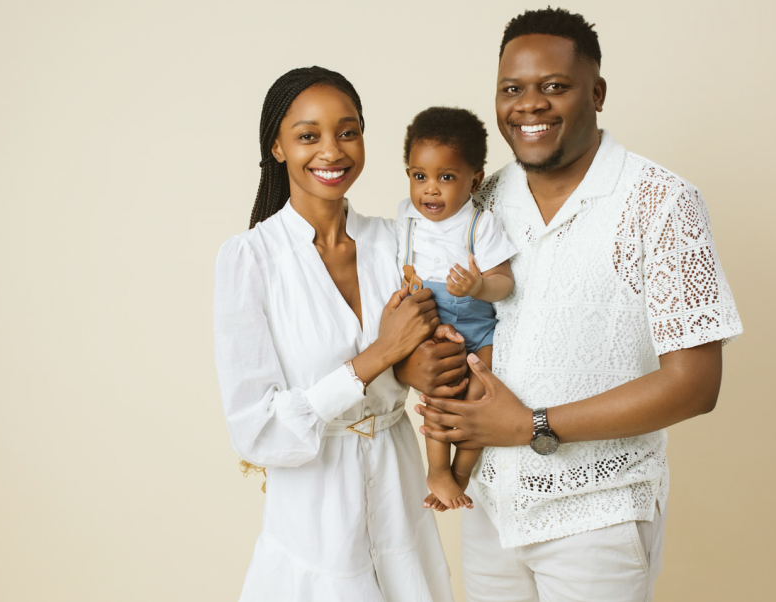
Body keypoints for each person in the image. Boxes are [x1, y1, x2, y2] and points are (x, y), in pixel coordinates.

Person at [398, 8, 743, 601]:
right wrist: (416, 367)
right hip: (490, 508)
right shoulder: (476, 196)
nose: (529, 105)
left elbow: (695, 384)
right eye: (512, 89)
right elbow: (422, 313)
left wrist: (532, 425)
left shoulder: (662, 202)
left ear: (597, 92)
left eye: (553, 87)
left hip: (599, 517)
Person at [213, 66, 455, 602]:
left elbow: (443, 347)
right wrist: (379, 357)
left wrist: (411, 365)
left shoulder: (399, 242)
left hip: (400, 498)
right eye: (308, 135)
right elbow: (257, 431)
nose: (332, 151)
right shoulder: (251, 261)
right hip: (313, 521)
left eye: (348, 131)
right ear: (277, 147)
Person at [395, 107, 516, 511]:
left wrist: (480, 285)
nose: (430, 189)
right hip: (433, 327)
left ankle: (461, 474)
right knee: (442, 392)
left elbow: (505, 283)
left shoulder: (479, 225)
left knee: (482, 396)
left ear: (474, 179)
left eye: (446, 177)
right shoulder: (406, 219)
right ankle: (437, 469)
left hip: (479, 330)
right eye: (419, 176)